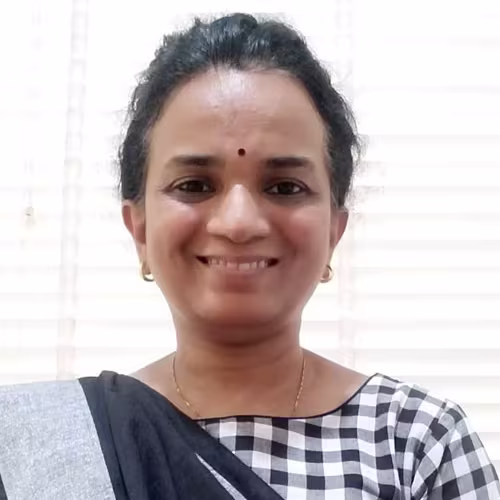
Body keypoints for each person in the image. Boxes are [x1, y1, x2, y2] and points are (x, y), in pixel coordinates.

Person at [0, 13, 498, 500]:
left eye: (284, 187)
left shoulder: (414, 444)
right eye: (194, 185)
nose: (238, 223)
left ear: (333, 232)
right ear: (141, 229)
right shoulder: (43, 449)